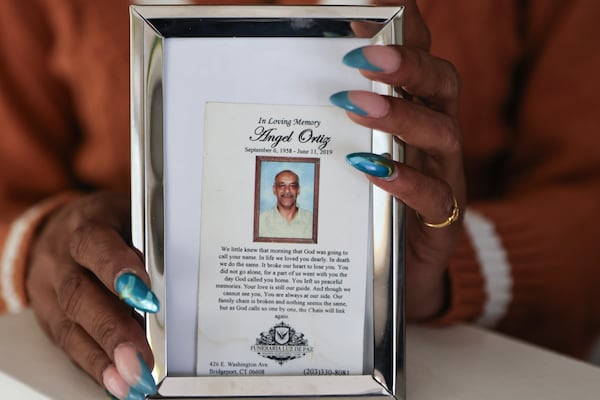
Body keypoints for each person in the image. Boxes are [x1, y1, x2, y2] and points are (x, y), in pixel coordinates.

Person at [1, 0, 600, 398]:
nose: (287, 187)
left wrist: (436, 273)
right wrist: (38, 245)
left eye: (292, 182)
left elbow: (586, 193)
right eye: (281, 182)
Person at [258, 170, 313, 239]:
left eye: (292, 186)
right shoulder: (261, 221)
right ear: (274, 190)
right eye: (282, 186)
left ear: (298, 190)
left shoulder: (312, 220)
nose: (287, 191)